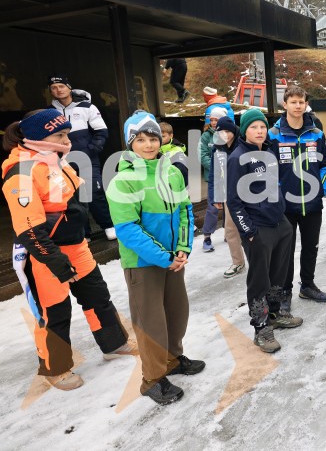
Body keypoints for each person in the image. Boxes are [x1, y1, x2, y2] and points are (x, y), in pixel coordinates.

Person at [2, 109, 132, 391]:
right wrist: (56, 262)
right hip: (45, 255)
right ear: (38, 137)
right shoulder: (21, 173)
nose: (67, 140)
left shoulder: (56, 160)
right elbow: (29, 229)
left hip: (77, 245)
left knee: (98, 297)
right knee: (54, 313)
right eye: (59, 135)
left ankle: (114, 344)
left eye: (66, 134)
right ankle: (55, 368)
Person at [106, 110, 204, 406]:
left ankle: (172, 359)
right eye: (142, 139)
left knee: (177, 313)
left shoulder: (171, 171)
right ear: (130, 143)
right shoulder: (123, 180)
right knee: (151, 322)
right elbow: (127, 229)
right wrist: (164, 257)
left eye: (153, 138)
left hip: (174, 259)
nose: (149, 145)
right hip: (144, 264)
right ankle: (152, 379)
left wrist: (184, 248)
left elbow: (186, 209)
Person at [226, 108, 303, 354]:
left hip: (279, 223)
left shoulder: (268, 152)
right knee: (259, 279)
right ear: (244, 130)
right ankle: (261, 328)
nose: (259, 131)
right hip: (257, 227)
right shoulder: (237, 157)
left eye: (262, 127)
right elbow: (234, 200)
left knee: (278, 273)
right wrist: (248, 231)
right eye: (253, 127)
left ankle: (276, 314)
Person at [269, 87, 326, 307]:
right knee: (285, 251)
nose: (298, 106)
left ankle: (307, 285)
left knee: (311, 246)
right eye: (293, 102)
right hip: (285, 206)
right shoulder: (274, 134)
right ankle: (285, 291)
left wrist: (321, 187)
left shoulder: (316, 133)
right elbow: (268, 168)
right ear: (284, 104)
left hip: (312, 204)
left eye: (301, 102)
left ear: (306, 104)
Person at [49, 75, 116, 241]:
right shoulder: (50, 112)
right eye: (54, 88)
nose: (58, 90)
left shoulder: (87, 107)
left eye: (61, 86)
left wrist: (92, 150)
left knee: (94, 192)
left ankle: (108, 226)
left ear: (69, 87)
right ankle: (84, 233)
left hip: (88, 158)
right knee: (73, 197)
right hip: (63, 162)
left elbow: (101, 131)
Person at [208, 116, 246, 279]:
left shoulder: (243, 143)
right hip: (229, 194)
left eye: (227, 131)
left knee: (253, 228)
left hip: (249, 192)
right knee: (230, 229)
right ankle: (238, 262)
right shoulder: (217, 148)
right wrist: (214, 196)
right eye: (221, 131)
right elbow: (214, 173)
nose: (224, 135)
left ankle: (262, 259)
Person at [200, 107, 228, 252]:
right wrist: (217, 168)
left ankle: (228, 232)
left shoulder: (229, 134)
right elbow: (202, 155)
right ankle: (206, 236)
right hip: (214, 176)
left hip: (228, 176)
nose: (213, 122)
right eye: (211, 119)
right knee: (212, 207)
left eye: (216, 119)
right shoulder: (206, 136)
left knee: (228, 205)